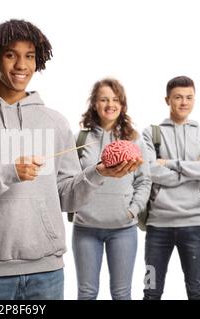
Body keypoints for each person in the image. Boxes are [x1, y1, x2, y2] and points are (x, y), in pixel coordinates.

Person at [0, 19, 141, 300]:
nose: (22, 65)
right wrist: (8, 173)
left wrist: (97, 173)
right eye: (11, 55)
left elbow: (67, 198)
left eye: (29, 56)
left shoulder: (55, 122)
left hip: (48, 274)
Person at [72, 78, 151, 300]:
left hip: (123, 228)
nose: (110, 104)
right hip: (86, 228)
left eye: (115, 99)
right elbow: (69, 180)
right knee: (87, 293)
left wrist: (132, 210)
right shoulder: (80, 139)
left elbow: (144, 181)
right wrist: (80, 208)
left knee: (121, 293)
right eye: (104, 99)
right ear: (94, 104)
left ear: (122, 104)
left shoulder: (135, 139)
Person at [141, 76, 200, 300]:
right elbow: (149, 170)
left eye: (189, 97)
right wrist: (194, 167)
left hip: (193, 226)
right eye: (178, 97)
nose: (184, 102)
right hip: (156, 228)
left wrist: (170, 164)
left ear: (194, 99)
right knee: (150, 291)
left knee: (197, 292)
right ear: (167, 100)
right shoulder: (151, 133)